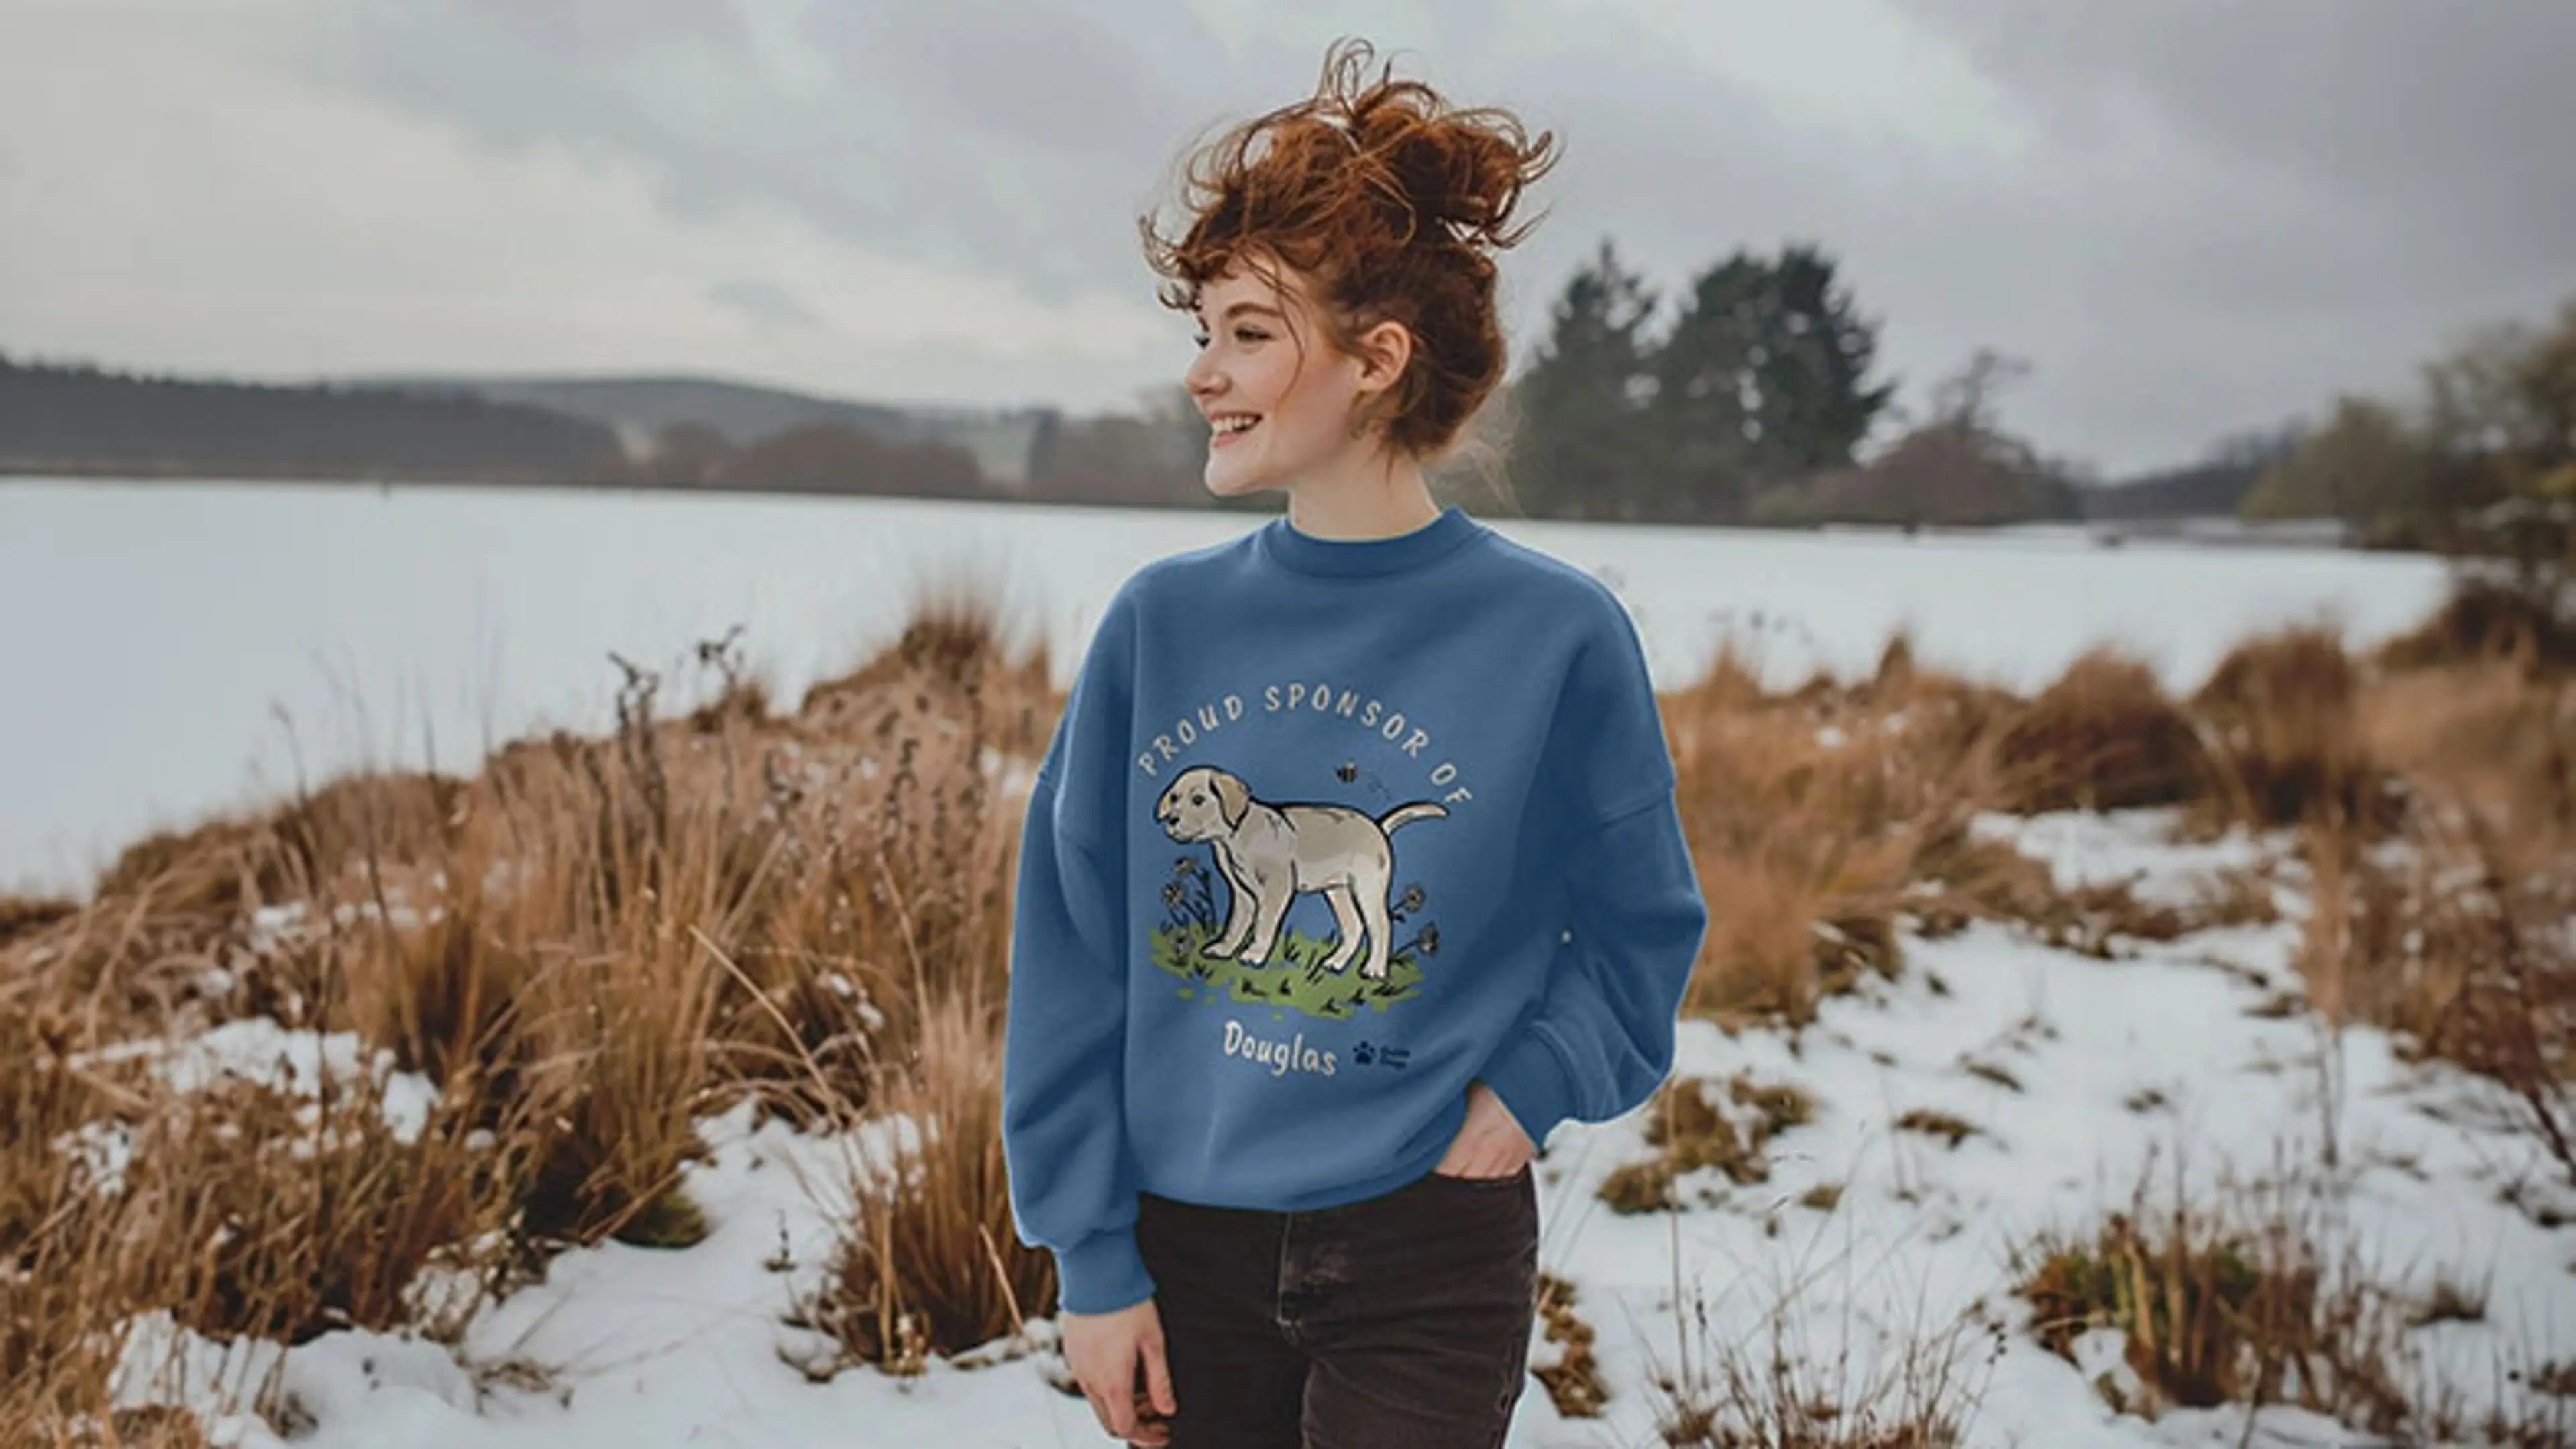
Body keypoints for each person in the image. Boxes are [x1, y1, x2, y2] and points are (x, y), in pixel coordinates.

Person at [1000, 36, 1709, 1449]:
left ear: (1378, 359)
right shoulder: (1161, 624)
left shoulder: (1556, 635)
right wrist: (1090, 1255)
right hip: (1184, 1241)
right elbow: (1073, 951)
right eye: (1201, 332)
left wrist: (1530, 1090)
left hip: (1425, 1249)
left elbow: (1640, 931)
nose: (1204, 374)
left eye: (1250, 331)